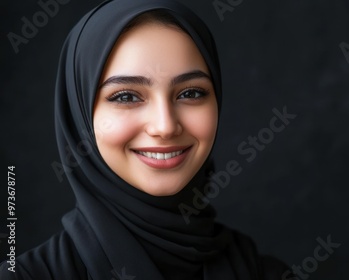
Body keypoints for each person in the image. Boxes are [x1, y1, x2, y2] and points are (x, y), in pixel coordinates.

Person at [0, 0, 289, 279]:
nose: (165, 126)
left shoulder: (265, 273)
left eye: (190, 93)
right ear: (79, 114)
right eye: (126, 96)